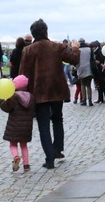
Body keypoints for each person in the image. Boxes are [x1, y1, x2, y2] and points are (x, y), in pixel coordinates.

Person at [19, 19, 80, 170]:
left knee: (43, 125)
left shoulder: (28, 50)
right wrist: (76, 48)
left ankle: (50, 158)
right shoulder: (56, 46)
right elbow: (74, 59)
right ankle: (58, 149)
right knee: (58, 119)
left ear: (33, 34)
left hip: (38, 91)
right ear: (46, 31)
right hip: (56, 89)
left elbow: (23, 74)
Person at [0, 74, 36, 172]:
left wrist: (1, 99)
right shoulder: (31, 97)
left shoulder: (13, 96)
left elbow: (7, 108)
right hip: (26, 128)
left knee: (13, 144)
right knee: (24, 145)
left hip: (14, 126)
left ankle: (16, 157)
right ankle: (26, 164)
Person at [76, 38, 94, 107]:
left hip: (81, 69)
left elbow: (76, 60)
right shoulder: (89, 49)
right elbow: (92, 59)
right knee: (89, 85)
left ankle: (84, 100)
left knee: (83, 84)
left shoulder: (78, 50)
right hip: (89, 69)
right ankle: (90, 100)